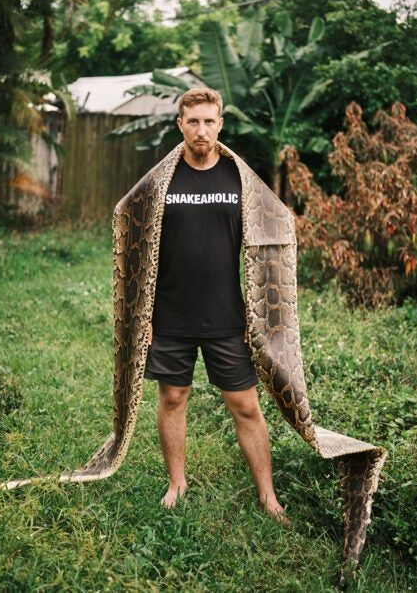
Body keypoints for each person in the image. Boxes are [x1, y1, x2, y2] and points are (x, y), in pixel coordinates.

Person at [143, 86, 287, 524]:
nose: (201, 130)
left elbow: (273, 236)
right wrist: (142, 314)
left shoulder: (239, 179)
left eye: (209, 121)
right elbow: (135, 245)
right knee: (173, 397)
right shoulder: (161, 182)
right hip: (171, 314)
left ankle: (268, 496)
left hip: (228, 316)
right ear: (179, 125)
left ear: (220, 124)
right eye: (193, 121)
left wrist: (261, 314)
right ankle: (176, 484)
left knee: (245, 405)